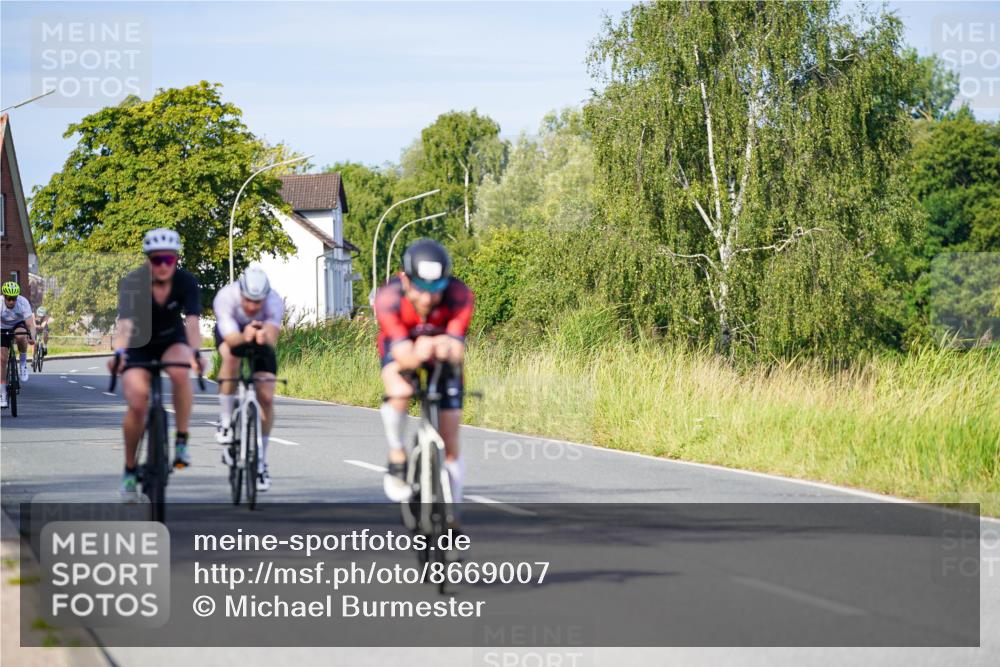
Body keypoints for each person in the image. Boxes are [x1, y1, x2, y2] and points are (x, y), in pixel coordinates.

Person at [374, 238, 474, 517]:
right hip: (401, 347)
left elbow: (456, 350)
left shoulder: (459, 295)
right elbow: (404, 356)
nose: (428, 299)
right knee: (400, 391)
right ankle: (397, 454)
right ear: (405, 280)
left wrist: (443, 348)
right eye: (420, 289)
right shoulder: (388, 297)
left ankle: (452, 518)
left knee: (451, 440)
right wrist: (423, 348)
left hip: (441, 357)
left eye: (436, 289)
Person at [109, 229, 203, 500]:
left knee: (180, 372)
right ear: (148, 260)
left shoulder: (186, 281)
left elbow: (193, 322)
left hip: (172, 339)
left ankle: (181, 440)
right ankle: (129, 469)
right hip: (139, 343)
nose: (163, 265)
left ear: (176, 260)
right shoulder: (133, 282)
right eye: (156, 260)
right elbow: (125, 324)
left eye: (168, 260)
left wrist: (195, 354)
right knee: (138, 403)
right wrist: (119, 354)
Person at [212, 263, 283, 491]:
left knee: (266, 398)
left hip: (259, 333)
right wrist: (245, 336)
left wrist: (262, 337)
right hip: (232, 333)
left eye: (258, 302)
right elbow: (232, 340)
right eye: (248, 300)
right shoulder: (226, 297)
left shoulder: (274, 301)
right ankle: (225, 422)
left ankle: (261, 463)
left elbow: (271, 338)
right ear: (240, 292)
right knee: (231, 358)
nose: (253, 306)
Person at [1, 281, 36, 407]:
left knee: (21, 336)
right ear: (4, 296)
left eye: (14, 299)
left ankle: (22, 362)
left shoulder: (23, 302)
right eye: (9, 299)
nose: (11, 302)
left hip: (18, 325)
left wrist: (32, 337)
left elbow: (30, 324)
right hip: (2, 327)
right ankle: (2, 393)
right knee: (2, 359)